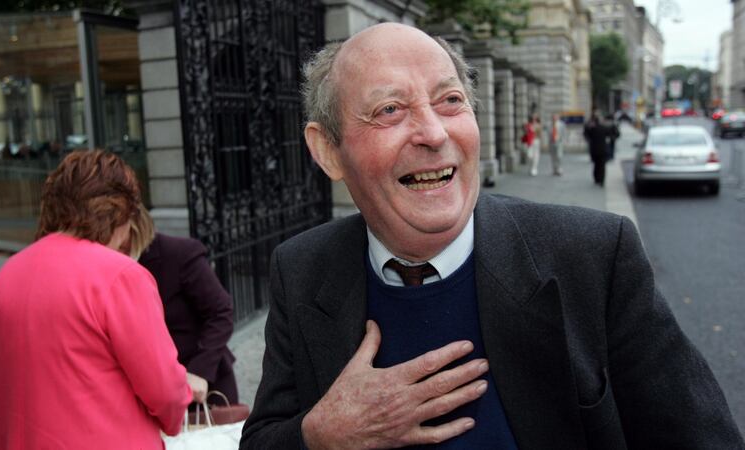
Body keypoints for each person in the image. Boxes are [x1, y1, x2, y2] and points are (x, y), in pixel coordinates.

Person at [240, 23, 744, 450]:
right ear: (328, 151)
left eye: (450, 101)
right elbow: (261, 438)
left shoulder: (593, 256)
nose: (434, 133)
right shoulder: (301, 269)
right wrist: (320, 434)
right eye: (390, 109)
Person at [0, 150, 192, 449]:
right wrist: (176, 414)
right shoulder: (120, 276)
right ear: (122, 212)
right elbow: (165, 389)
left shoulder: (8, 273)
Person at [139, 231, 239, 406]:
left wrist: (199, 371)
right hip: (148, 389)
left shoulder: (178, 252)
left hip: (200, 384)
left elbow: (221, 311)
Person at [584, 113, 608, 186]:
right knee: (602, 166)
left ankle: (597, 179)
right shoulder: (604, 128)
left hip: (594, 150)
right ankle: (601, 180)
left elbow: (586, 134)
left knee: (596, 165)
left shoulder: (592, 128)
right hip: (603, 149)